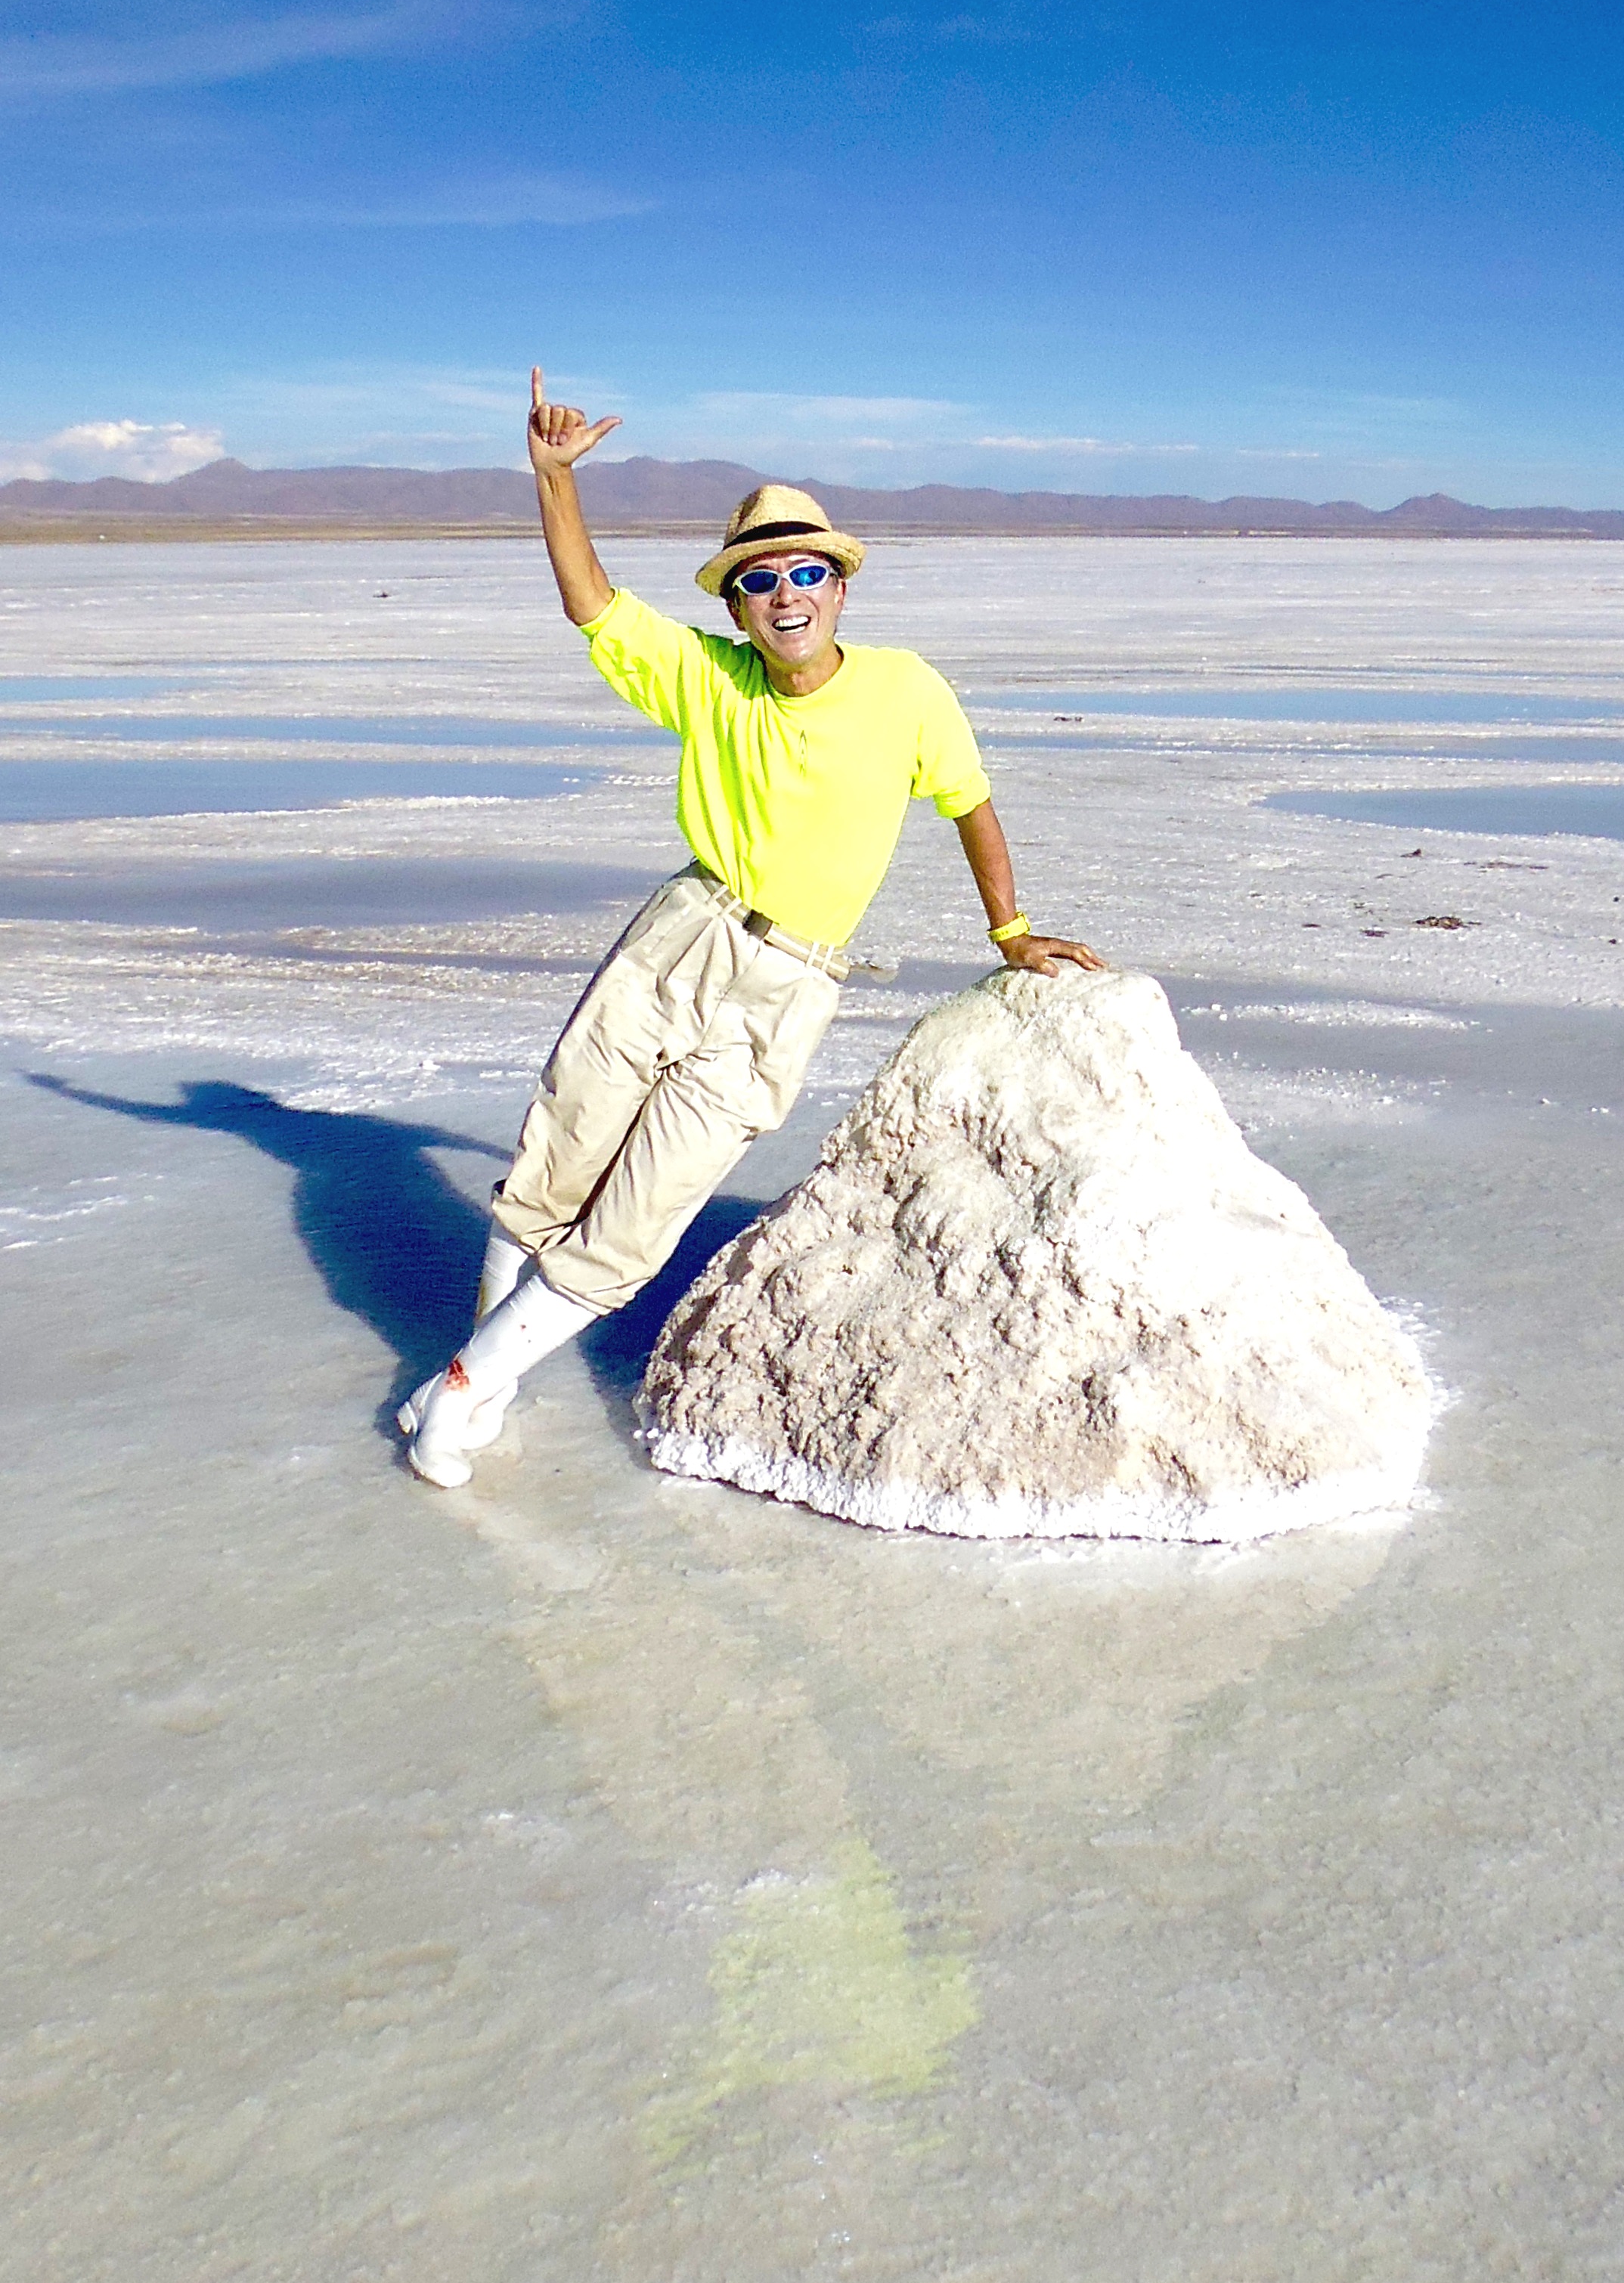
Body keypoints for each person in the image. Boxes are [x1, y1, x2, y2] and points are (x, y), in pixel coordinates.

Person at [400, 370, 1103, 1485]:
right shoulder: (713, 678)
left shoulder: (907, 690)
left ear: (839, 587)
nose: (787, 593)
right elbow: (593, 602)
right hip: (683, 938)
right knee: (554, 1166)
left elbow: (969, 799)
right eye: (763, 578)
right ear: (736, 604)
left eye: (807, 571)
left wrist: (1010, 928)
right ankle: (481, 1375)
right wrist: (554, 482)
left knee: (640, 1215)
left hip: (790, 990)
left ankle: (461, 1393)